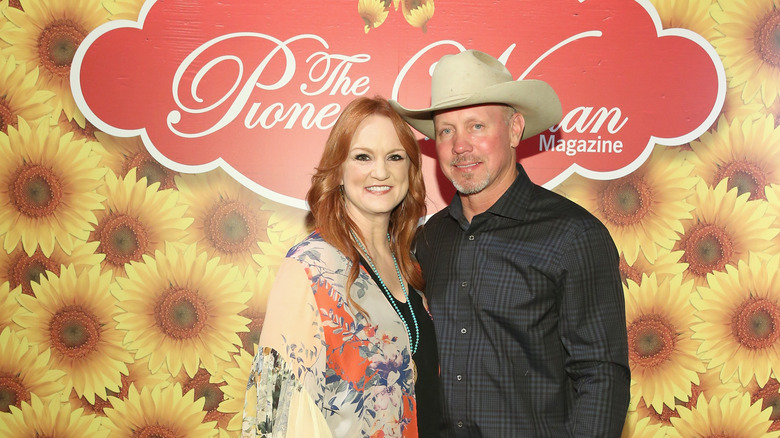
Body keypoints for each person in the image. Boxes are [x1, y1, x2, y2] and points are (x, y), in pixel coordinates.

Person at [390, 50, 630, 436]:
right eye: (446, 131)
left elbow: (600, 375)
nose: (459, 145)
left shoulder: (573, 235)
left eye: (477, 127)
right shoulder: (430, 239)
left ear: (515, 129)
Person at [242, 96, 441, 437]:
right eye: (362, 157)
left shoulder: (411, 261)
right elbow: (273, 414)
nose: (381, 172)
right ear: (338, 171)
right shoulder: (308, 267)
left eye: (395, 157)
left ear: (410, 170)